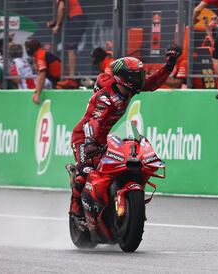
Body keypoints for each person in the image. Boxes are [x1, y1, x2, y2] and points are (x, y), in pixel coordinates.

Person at [68, 45, 181, 221]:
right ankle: (75, 209)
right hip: (83, 137)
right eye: (138, 75)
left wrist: (168, 67)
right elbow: (93, 121)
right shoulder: (107, 98)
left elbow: (152, 84)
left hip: (103, 138)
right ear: (125, 78)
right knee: (86, 170)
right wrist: (90, 142)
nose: (142, 78)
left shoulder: (127, 90)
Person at [47, 0, 87, 87]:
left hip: (76, 20)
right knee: (70, 48)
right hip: (77, 19)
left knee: (70, 48)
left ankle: (71, 78)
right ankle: (70, 77)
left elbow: (62, 8)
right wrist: (56, 23)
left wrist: (57, 25)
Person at [25, 38, 61, 104]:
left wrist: (37, 94)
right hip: (57, 81)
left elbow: (41, 76)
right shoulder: (40, 54)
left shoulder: (40, 56)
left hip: (62, 83)